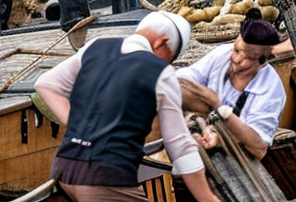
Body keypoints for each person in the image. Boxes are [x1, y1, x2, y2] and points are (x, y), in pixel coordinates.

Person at [34, 11, 222, 202]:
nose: (168, 63)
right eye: (169, 58)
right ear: (161, 42)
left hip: (65, 169)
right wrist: (207, 197)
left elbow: (46, 84)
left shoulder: (96, 46)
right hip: (104, 179)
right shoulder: (161, 72)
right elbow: (179, 145)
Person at [177, 12, 286, 161]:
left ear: (263, 61)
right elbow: (188, 76)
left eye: (247, 57)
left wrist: (221, 110)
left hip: (237, 158)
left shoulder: (270, 90)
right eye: (236, 50)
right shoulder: (223, 54)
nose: (237, 58)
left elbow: (258, 147)